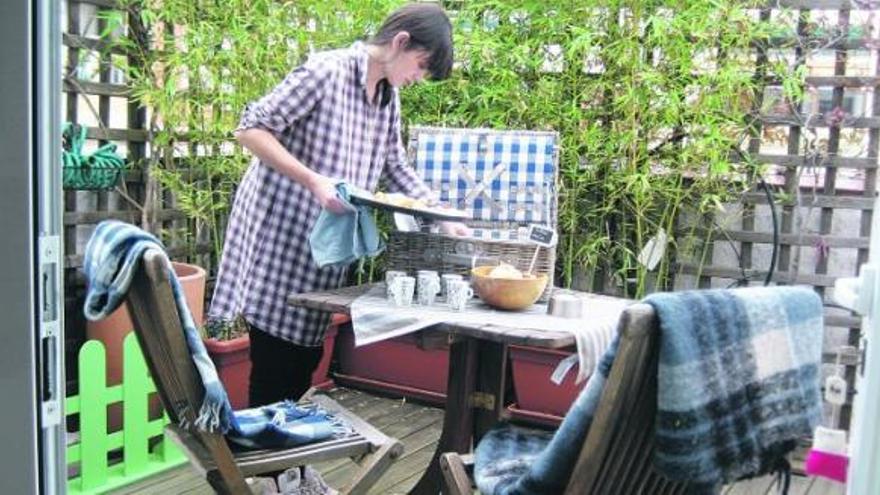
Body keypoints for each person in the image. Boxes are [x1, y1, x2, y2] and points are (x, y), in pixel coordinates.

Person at [209, 3, 467, 408]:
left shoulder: (387, 98)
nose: (417, 78)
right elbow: (250, 129)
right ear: (400, 42)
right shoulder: (325, 72)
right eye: (419, 66)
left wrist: (442, 216)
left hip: (325, 252)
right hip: (279, 236)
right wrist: (313, 180)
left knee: (306, 358)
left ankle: (283, 468)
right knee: (277, 360)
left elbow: (395, 168)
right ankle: (268, 468)